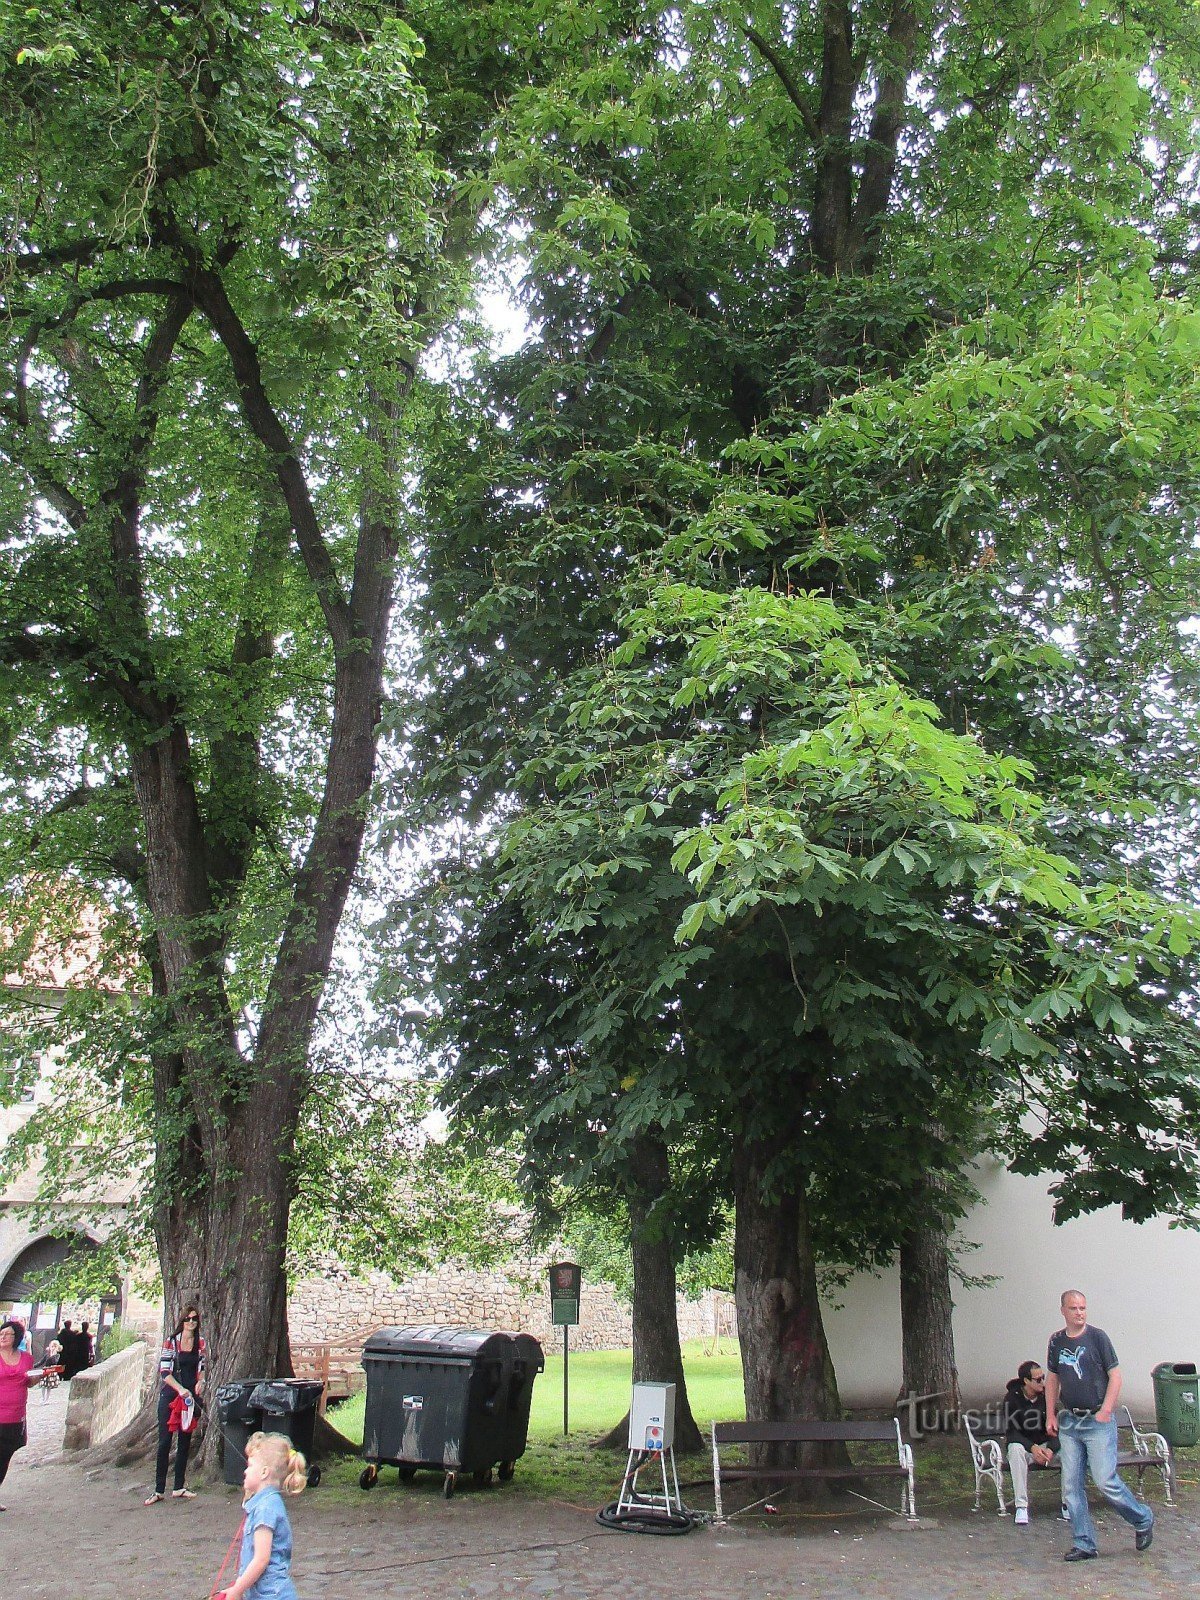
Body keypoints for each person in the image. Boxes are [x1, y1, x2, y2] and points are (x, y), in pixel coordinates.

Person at [1045, 1288, 1154, 1561]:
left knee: (1105, 1481)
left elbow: (1115, 1376)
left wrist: (1106, 1410)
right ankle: (1084, 1542)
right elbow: (1053, 1379)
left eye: (1082, 1308)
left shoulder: (1097, 1338)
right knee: (1070, 1486)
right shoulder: (1057, 1341)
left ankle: (1142, 1518)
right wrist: (1050, 1414)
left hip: (1097, 1420)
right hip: (1070, 1420)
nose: (1079, 1312)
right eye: (1073, 1308)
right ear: (1063, 1311)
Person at [220, 1431, 307, 1600]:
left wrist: (237, 1589)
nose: (245, 1471)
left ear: (264, 1472)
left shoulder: (266, 1508)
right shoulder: (263, 1503)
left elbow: (261, 1559)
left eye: (250, 1466)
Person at [146, 1304, 206, 1505]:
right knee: (165, 1441)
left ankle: (179, 1486)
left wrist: (201, 1382)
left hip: (190, 1397)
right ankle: (158, 1489)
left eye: (194, 1319)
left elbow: (202, 1367)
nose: (191, 1322)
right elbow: (165, 1372)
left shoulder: (201, 1342)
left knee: (185, 1441)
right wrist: (180, 1389)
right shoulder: (171, 1342)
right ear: (182, 1321)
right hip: (172, 1395)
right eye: (188, 1319)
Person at [1003, 1359, 1059, 1524]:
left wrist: (1050, 1449)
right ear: (1026, 1381)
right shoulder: (1012, 1399)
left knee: (1071, 1450)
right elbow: (1012, 1433)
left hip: (1045, 1447)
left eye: (1044, 1378)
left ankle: (1068, 1503)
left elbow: (1056, 1430)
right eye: (1038, 1379)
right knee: (1014, 1449)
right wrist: (1033, 1448)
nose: (1043, 1382)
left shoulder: (1046, 1398)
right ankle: (1021, 1506)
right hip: (1026, 1449)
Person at [0, 1319, 43, 1511]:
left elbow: (29, 1382)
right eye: (1, 1333)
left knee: (5, 1456)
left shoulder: (26, 1358)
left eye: (7, 1334)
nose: (2, 1337)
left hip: (15, 1415)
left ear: (16, 1337)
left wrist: (39, 1377)